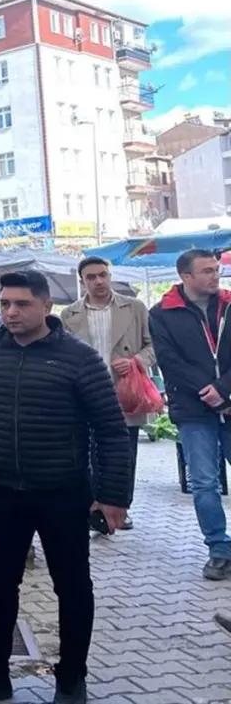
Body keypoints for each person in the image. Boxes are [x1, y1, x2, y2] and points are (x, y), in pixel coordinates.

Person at [0, 270, 132, 704]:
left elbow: (111, 429)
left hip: (63, 492)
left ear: (46, 306)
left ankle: (71, 678)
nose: (11, 312)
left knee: (71, 588)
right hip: (2, 493)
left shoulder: (79, 358)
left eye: (22, 304)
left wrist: (113, 496)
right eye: (5, 304)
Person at [149, 248, 231, 580]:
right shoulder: (162, 313)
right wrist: (208, 392)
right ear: (186, 277)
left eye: (216, 269)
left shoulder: (229, 304)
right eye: (207, 271)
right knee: (204, 483)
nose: (215, 275)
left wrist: (224, 389)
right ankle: (219, 549)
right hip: (193, 409)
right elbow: (170, 362)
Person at [60, 256, 155, 529]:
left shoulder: (135, 308)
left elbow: (154, 345)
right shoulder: (70, 314)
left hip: (125, 390)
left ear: (110, 276)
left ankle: (121, 508)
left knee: (124, 452)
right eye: (91, 277)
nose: (99, 281)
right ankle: (93, 507)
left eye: (103, 275)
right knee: (86, 452)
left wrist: (136, 360)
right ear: (83, 282)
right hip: (86, 392)